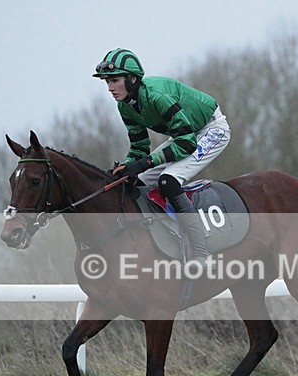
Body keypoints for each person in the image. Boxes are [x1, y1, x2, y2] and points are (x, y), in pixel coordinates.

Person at [93, 48, 230, 270]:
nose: (110, 88)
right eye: (107, 82)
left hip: (211, 130)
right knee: (137, 181)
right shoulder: (125, 106)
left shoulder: (157, 96)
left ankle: (202, 252)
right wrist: (127, 166)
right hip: (186, 133)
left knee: (169, 180)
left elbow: (186, 143)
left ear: (133, 79)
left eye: (115, 80)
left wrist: (144, 163)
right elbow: (139, 147)